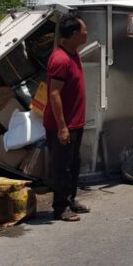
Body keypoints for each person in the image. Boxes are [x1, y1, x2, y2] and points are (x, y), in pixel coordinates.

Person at [43, 13, 90, 221]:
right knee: (62, 167)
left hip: (75, 122)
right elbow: (54, 94)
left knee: (74, 164)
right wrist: (62, 127)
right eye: (83, 31)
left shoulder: (73, 53)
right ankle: (61, 207)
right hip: (62, 124)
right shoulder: (60, 59)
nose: (86, 34)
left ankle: (70, 199)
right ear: (73, 34)